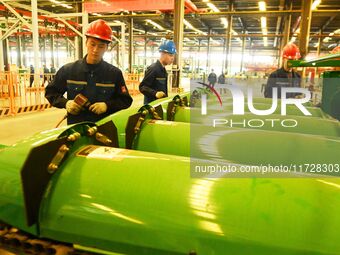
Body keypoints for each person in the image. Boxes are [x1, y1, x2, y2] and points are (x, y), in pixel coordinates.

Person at [45, 19, 132, 124]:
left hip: (104, 128)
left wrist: (107, 106)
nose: (95, 50)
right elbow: (51, 92)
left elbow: (125, 100)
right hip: (76, 129)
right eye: (92, 44)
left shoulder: (114, 74)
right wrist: (66, 103)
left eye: (101, 46)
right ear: (86, 43)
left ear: (106, 48)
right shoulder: (68, 71)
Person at [139, 40, 177, 104]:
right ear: (162, 53)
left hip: (160, 104)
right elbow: (142, 87)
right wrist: (155, 93)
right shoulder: (153, 68)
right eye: (170, 55)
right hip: (151, 106)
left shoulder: (163, 70)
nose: (172, 58)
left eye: (173, 56)